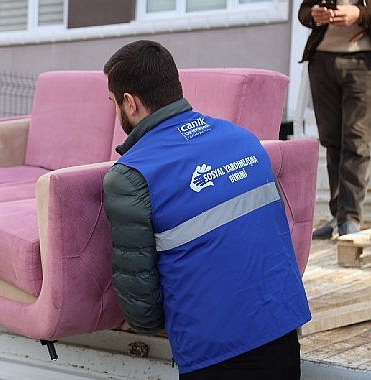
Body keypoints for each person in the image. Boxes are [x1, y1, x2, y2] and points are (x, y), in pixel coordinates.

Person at [102, 40, 311, 379]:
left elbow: (141, 309)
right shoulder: (243, 139)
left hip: (215, 351)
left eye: (113, 102)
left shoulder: (130, 176)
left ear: (130, 102)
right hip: (281, 332)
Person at [298, 0, 371, 239]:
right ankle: (337, 215)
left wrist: (359, 13)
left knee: (357, 141)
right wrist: (314, 15)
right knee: (331, 140)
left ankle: (350, 218)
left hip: (363, 62)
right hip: (321, 62)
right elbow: (303, 11)